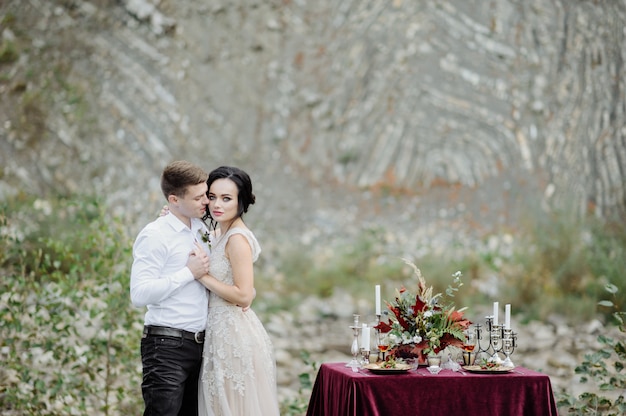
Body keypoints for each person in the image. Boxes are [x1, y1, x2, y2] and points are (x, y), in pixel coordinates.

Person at [193, 166, 280, 416]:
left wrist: (202, 275)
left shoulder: (237, 239)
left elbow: (244, 294)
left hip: (233, 335)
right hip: (218, 332)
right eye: (212, 196)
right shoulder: (219, 232)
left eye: (226, 198)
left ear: (241, 201)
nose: (216, 204)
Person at [130, 160, 212, 416]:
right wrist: (189, 273)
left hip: (202, 346)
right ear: (174, 200)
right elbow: (139, 294)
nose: (206, 202)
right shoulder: (155, 234)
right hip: (166, 346)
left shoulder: (201, 228)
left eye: (205, 194)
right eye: (199, 197)